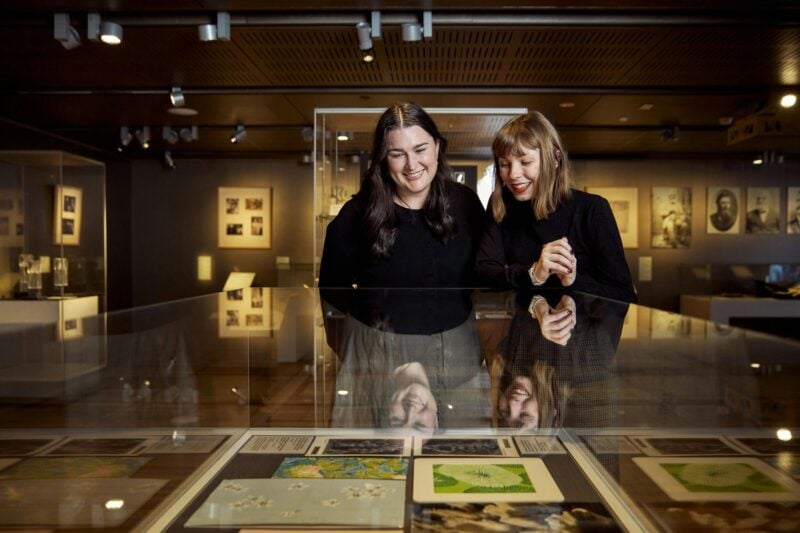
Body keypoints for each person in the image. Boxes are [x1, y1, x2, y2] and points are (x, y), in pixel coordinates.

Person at [319, 101, 487, 334]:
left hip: (458, 353)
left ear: (437, 147)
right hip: (382, 355)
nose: (411, 165)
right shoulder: (356, 215)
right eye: (397, 154)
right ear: (383, 159)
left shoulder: (465, 202)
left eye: (420, 150)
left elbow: (490, 270)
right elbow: (332, 294)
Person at [475, 111, 636, 302]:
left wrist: (572, 281)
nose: (513, 174)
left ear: (555, 159)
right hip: (523, 327)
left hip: (577, 329)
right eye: (504, 164)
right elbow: (483, 274)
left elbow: (624, 295)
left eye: (525, 162)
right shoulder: (500, 206)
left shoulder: (592, 209)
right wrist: (534, 273)